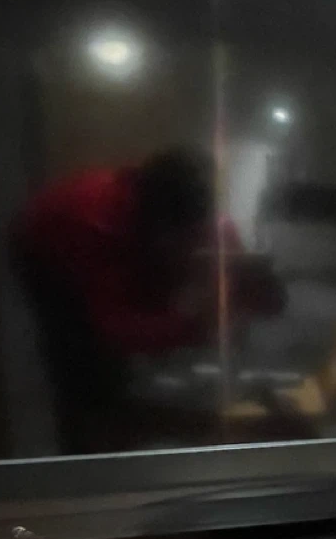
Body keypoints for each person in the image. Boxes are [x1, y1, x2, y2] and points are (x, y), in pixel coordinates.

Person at [14, 149, 283, 451]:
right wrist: (195, 327)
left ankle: (137, 401)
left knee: (160, 304)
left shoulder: (205, 221)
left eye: (190, 237)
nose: (184, 248)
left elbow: (254, 293)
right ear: (154, 227)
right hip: (46, 250)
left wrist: (251, 291)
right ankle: (89, 452)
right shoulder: (95, 226)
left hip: (133, 232)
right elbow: (114, 328)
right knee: (85, 369)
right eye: (175, 241)